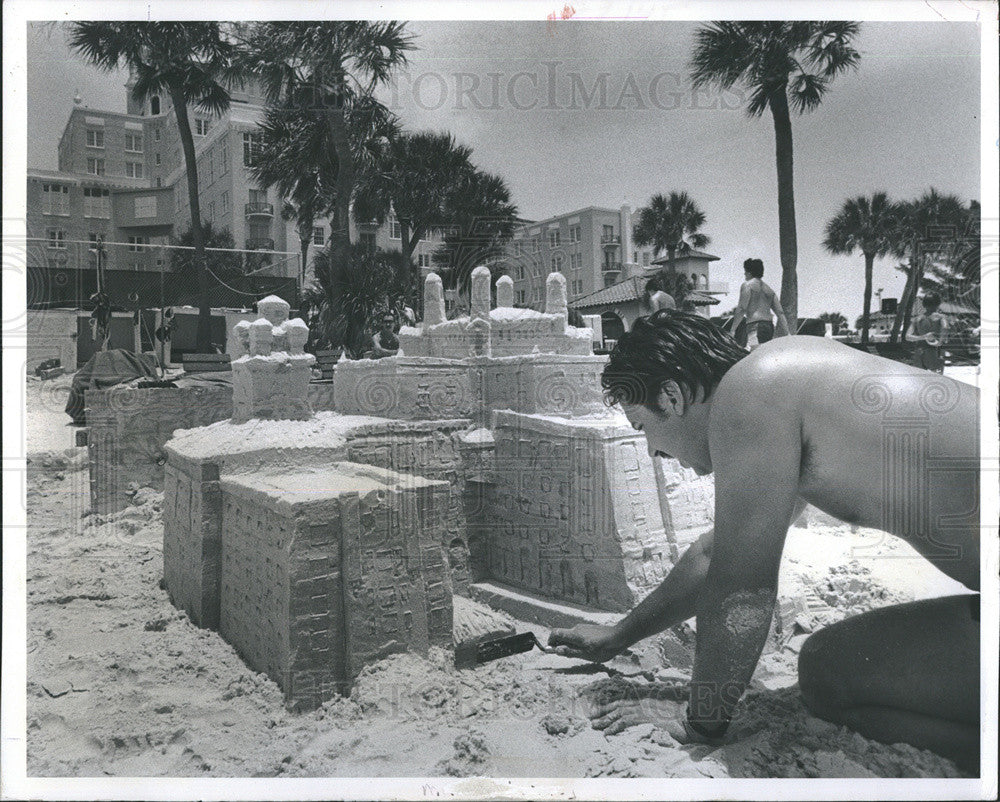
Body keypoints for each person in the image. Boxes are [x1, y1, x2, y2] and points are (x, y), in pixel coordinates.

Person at [549, 311, 980, 772]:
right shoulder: (781, 378)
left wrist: (701, 721)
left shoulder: (750, 393)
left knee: (827, 675)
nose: (654, 450)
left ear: (672, 396)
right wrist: (620, 634)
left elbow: (743, 589)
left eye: (643, 428)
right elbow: (717, 555)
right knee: (827, 666)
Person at [729, 258, 789, 348]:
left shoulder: (747, 285)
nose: (744, 274)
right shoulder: (769, 289)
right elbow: (780, 312)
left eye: (745, 271)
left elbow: (742, 308)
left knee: (755, 354)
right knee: (764, 354)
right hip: (769, 326)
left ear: (749, 272)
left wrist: (733, 330)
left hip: (755, 326)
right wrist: (787, 333)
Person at [908, 292, 948, 373]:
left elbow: (907, 336)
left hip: (918, 353)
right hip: (933, 352)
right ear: (938, 304)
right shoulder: (940, 317)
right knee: (937, 380)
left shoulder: (917, 319)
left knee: (919, 381)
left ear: (924, 304)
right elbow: (945, 327)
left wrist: (923, 337)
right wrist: (940, 342)